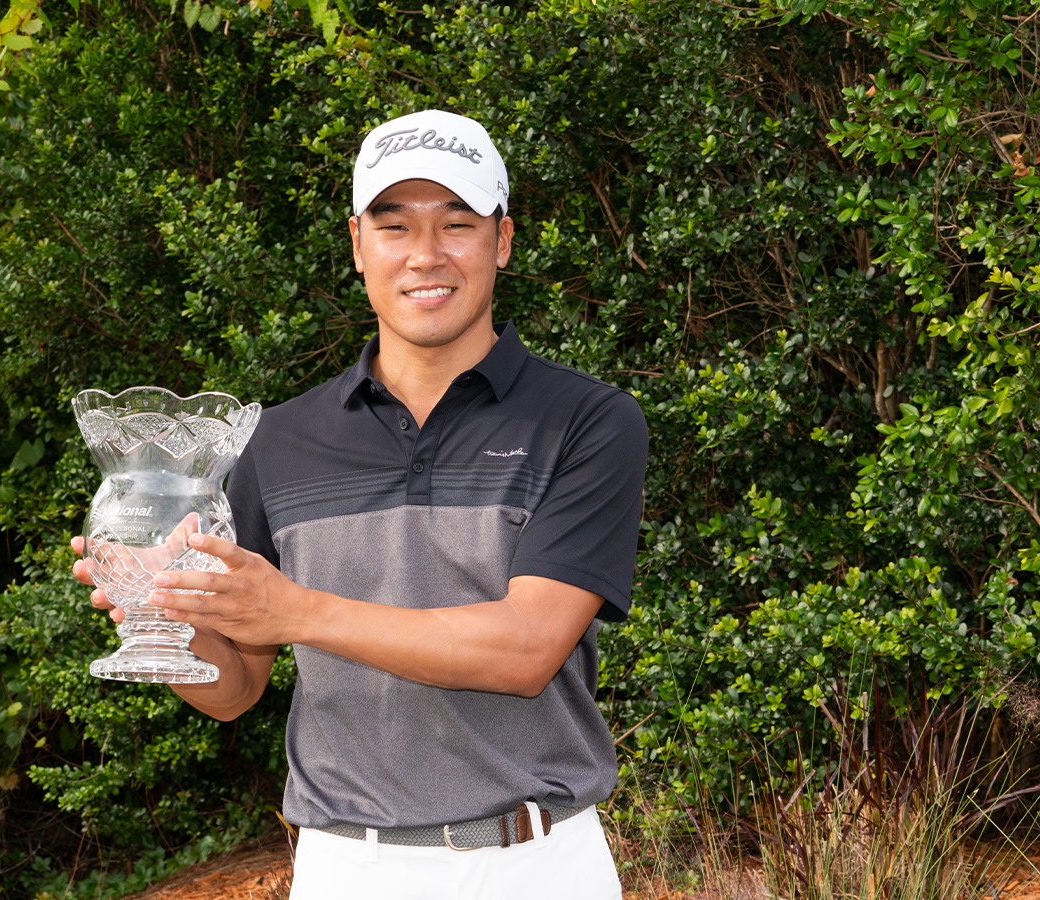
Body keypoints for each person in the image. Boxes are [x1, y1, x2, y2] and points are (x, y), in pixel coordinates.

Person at [72, 109, 649, 899]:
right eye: (394, 227)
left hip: (536, 863)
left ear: (502, 241)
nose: (426, 256)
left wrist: (294, 610)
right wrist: (166, 615)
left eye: (457, 224)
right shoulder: (279, 440)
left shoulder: (587, 420)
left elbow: (523, 652)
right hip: (347, 869)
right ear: (356, 245)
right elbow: (236, 690)